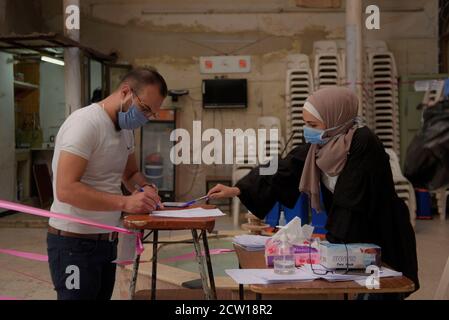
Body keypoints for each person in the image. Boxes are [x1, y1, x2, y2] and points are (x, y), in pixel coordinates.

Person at [208, 87, 419, 297]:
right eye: (306, 124)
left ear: (336, 119)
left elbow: (351, 201)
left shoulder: (363, 143)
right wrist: (238, 188)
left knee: (375, 294)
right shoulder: (322, 145)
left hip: (382, 240)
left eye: (313, 125)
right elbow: (283, 166)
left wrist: (332, 249)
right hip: (352, 245)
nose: (307, 130)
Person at [47, 67, 167, 300]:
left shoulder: (125, 131)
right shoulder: (85, 123)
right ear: (125, 92)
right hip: (74, 243)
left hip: (107, 242)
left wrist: (146, 188)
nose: (144, 118)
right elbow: (66, 189)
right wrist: (126, 203)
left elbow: (130, 173)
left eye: (150, 114)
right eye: (144, 109)